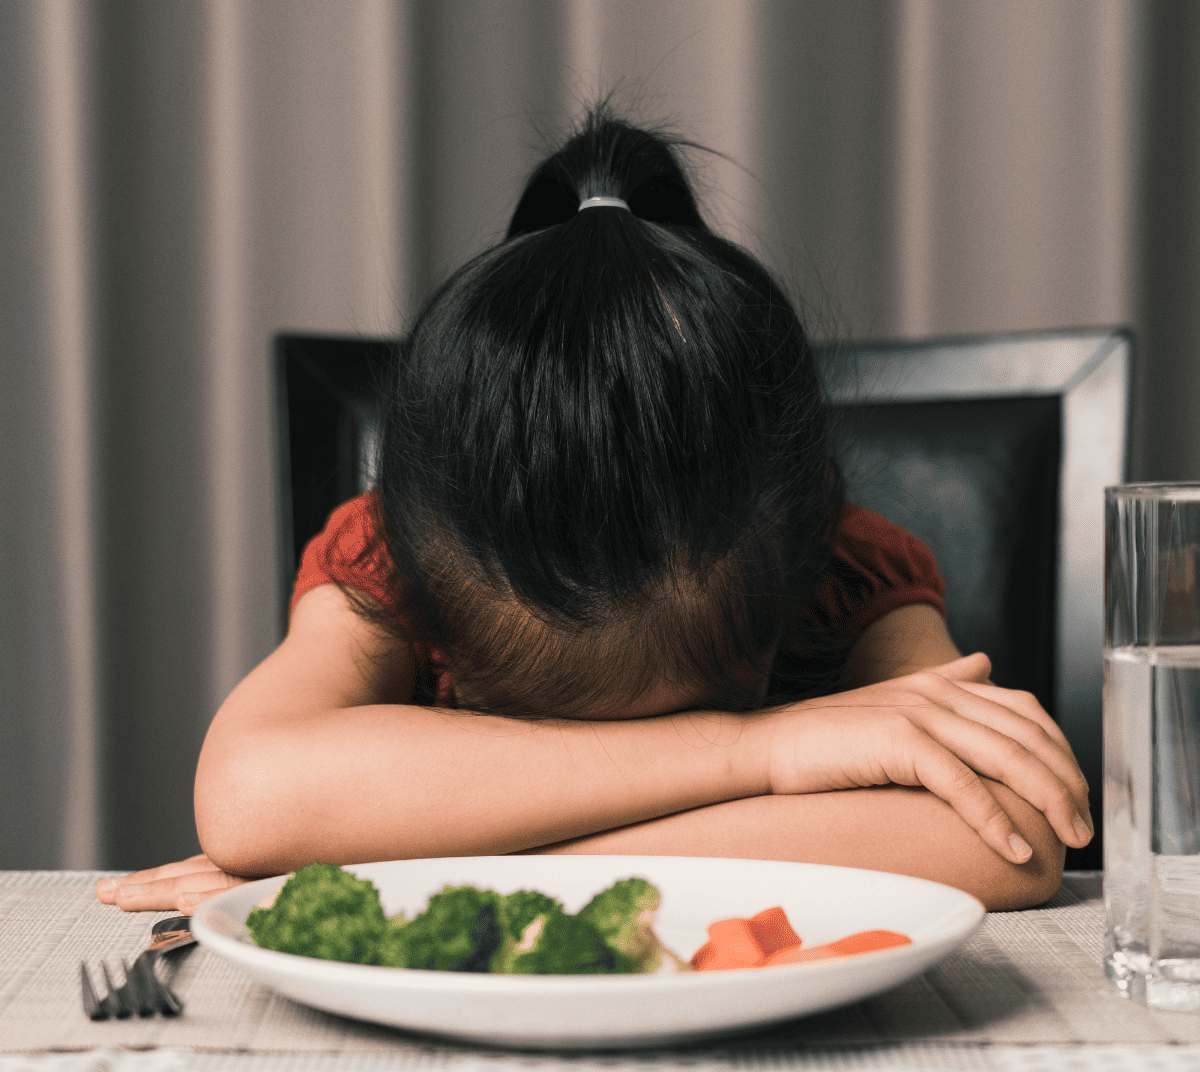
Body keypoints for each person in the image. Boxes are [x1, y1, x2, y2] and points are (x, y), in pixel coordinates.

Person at [96, 109, 1090, 918]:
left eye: (685, 720)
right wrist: (751, 751)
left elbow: (1005, 835)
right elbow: (248, 796)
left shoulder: (843, 566)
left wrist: (422, 869)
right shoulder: (389, 556)